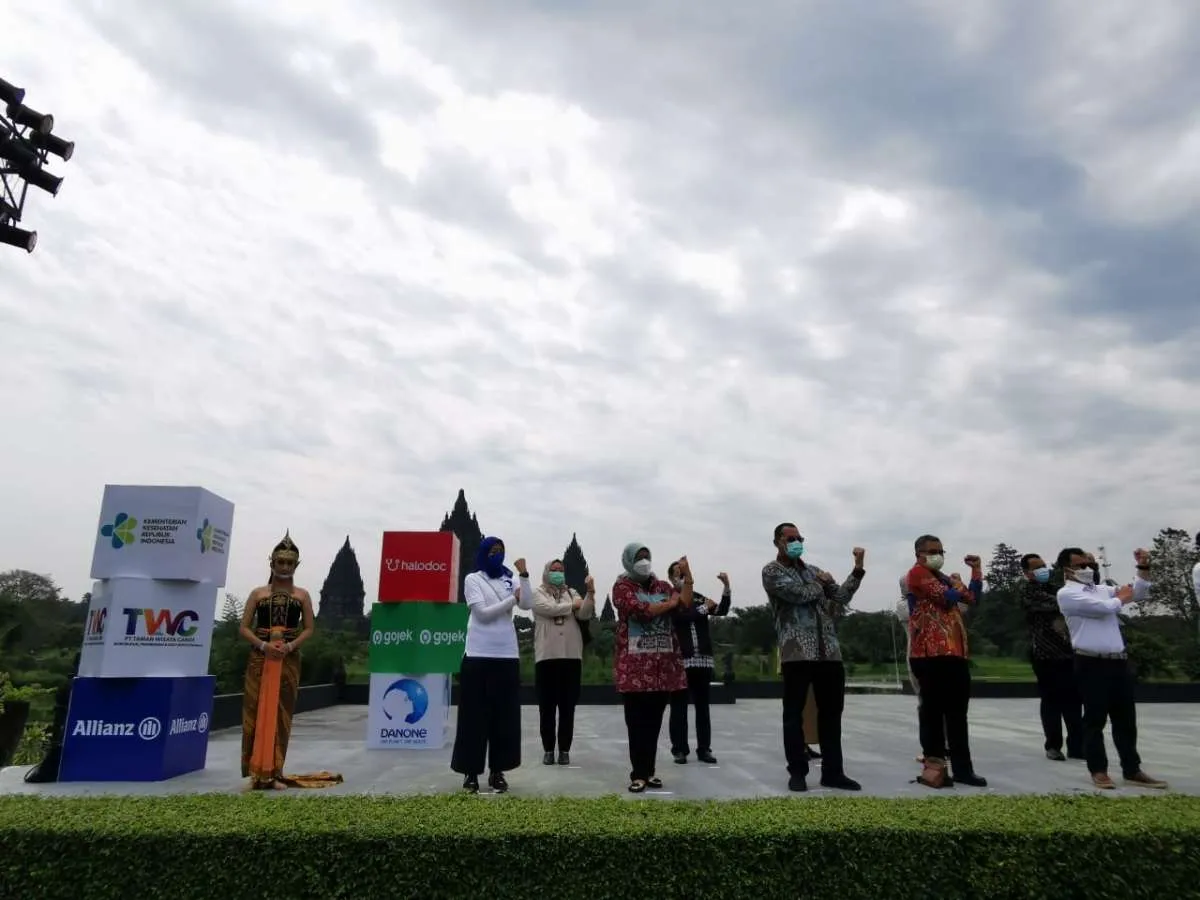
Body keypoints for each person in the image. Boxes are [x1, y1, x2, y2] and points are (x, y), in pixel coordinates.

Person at [762, 522, 866, 792]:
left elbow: (841, 596)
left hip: (829, 652)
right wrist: (821, 584)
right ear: (777, 542)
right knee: (793, 714)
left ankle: (833, 772)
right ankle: (797, 771)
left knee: (832, 714)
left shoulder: (814, 571)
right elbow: (798, 595)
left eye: (799, 538)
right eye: (790, 538)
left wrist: (857, 568)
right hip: (796, 652)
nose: (796, 542)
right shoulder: (772, 571)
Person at [1055, 546, 1167, 790]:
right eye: (1080, 565)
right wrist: (1121, 598)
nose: (1087, 568)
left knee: (1126, 718)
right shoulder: (1067, 594)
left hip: (1118, 660)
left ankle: (1132, 769)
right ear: (1066, 569)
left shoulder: (1101, 590)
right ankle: (1098, 770)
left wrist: (1143, 567)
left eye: (1089, 564)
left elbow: (1138, 593)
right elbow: (1104, 609)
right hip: (1090, 661)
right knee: (1095, 719)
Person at [239, 532, 341, 790]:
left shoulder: (302, 596)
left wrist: (290, 646)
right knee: (255, 711)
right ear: (271, 563)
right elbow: (244, 628)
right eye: (280, 561)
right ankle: (256, 772)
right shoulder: (258, 594)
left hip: (288, 658)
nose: (284, 566)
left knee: (281, 714)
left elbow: (308, 628)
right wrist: (263, 645)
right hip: (259, 659)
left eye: (289, 562)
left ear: (296, 565)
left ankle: (274, 769)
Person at [451, 536, 534, 793]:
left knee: (504, 718)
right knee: (473, 717)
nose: (497, 555)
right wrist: (512, 600)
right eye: (493, 551)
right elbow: (482, 614)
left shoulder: (508, 578)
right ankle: (471, 772)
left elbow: (527, 603)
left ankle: (498, 771)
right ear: (484, 553)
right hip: (477, 655)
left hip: (506, 656)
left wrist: (524, 575)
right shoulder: (473, 579)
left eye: (501, 551)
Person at [906, 535, 986, 789]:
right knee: (932, 713)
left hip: (954, 654)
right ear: (918, 554)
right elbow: (948, 598)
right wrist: (958, 587)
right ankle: (935, 768)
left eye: (940, 550)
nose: (937, 555)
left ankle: (963, 769)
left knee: (957, 715)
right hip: (929, 655)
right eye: (931, 551)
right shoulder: (917, 574)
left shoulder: (942, 578)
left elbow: (972, 599)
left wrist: (975, 572)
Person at [612, 543, 690, 793]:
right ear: (628, 561)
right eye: (638, 557)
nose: (644, 561)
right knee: (637, 723)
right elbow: (640, 611)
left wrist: (688, 577)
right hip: (635, 668)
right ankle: (638, 773)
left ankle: (650, 771)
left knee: (655, 723)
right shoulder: (622, 587)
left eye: (646, 556)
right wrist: (669, 604)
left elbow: (685, 603)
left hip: (662, 667)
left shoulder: (663, 587)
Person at [1019, 552, 1083, 761]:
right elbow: (1060, 604)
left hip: (1068, 651)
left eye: (1044, 565)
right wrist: (1067, 601)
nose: (1043, 570)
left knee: (1073, 701)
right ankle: (1053, 745)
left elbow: (1072, 601)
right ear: (1027, 573)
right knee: (1051, 700)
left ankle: (1077, 746)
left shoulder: (1056, 589)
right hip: (1044, 653)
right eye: (1037, 567)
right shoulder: (1027, 590)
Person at [531, 559, 595, 766]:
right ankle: (548, 749)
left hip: (571, 656)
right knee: (547, 707)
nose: (558, 573)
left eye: (561, 570)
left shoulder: (572, 592)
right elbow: (549, 609)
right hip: (547, 657)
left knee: (568, 707)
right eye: (554, 570)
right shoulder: (538, 592)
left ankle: (564, 750)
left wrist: (590, 594)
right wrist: (572, 606)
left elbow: (584, 612)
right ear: (546, 572)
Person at [667, 563, 731, 765]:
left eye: (684, 573)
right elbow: (682, 617)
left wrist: (726, 588)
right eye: (679, 574)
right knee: (679, 708)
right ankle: (679, 749)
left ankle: (704, 749)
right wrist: (705, 608)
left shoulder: (697, 596)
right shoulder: (670, 597)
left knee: (703, 708)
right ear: (671, 578)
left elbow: (720, 610)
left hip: (703, 660)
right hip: (680, 661)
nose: (683, 577)